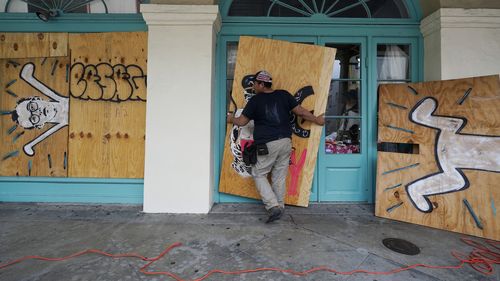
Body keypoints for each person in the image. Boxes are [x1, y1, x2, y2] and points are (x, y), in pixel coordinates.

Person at [227, 70, 325, 223]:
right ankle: (280, 207)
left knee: (259, 173)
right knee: (279, 177)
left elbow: (241, 122)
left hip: (268, 144)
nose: (253, 87)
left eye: (255, 84)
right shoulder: (284, 95)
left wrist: (231, 118)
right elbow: (301, 112)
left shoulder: (255, 101)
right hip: (286, 142)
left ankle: (273, 206)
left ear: (261, 84)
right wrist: (317, 120)